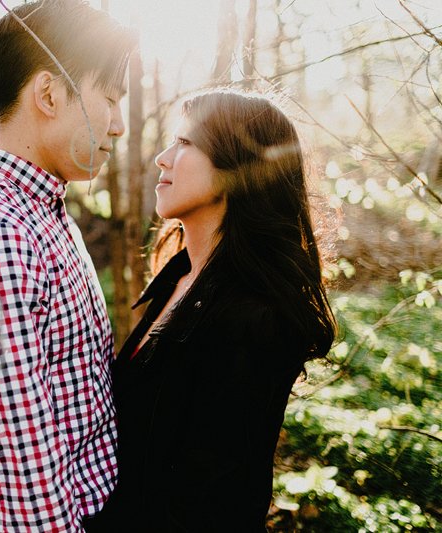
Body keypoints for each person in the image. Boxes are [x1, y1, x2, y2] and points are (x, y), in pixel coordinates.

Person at [0, 2, 136, 531]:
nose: (121, 126)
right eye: (109, 98)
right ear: (48, 95)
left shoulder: (40, 212)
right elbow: (22, 478)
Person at [94, 89, 337, 532]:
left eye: (185, 144)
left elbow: (214, 504)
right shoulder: (176, 278)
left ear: (237, 168)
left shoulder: (255, 318)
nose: (162, 159)